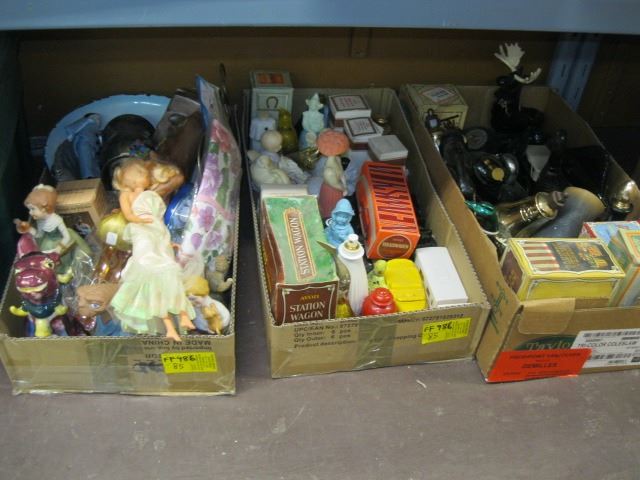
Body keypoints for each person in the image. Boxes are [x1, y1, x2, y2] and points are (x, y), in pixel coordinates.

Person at [109, 158, 196, 341]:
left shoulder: (150, 195)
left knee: (169, 273)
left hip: (157, 233)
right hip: (142, 232)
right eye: (142, 174)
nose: (147, 178)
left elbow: (160, 222)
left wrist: (167, 241)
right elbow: (129, 214)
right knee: (154, 277)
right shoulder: (126, 195)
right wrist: (139, 220)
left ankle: (183, 316)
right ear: (131, 179)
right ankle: (170, 327)